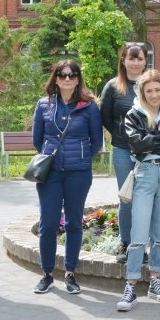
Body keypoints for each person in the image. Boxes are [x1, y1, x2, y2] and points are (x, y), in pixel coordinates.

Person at [116, 70, 160, 311]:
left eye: (158, 90)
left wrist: (156, 142)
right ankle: (131, 285)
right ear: (143, 93)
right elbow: (136, 143)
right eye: (149, 91)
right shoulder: (134, 115)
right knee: (138, 233)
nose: (154, 94)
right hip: (144, 174)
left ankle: (155, 280)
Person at [31, 60, 103, 295]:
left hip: (78, 174)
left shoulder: (89, 107)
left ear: (78, 78)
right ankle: (47, 274)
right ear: (56, 78)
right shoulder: (44, 105)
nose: (67, 79)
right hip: (50, 174)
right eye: (62, 75)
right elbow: (37, 140)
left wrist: (80, 158)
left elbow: (96, 141)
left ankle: (70, 273)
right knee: (49, 223)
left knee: (73, 223)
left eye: (72, 75)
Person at [100, 42, 148, 263]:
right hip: (122, 150)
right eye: (132, 58)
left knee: (145, 199)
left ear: (145, 61)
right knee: (127, 197)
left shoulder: (152, 84)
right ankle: (126, 243)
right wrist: (122, 135)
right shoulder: (113, 86)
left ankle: (142, 246)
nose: (135, 63)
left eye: (139, 59)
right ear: (123, 60)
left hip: (148, 152)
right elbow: (105, 117)